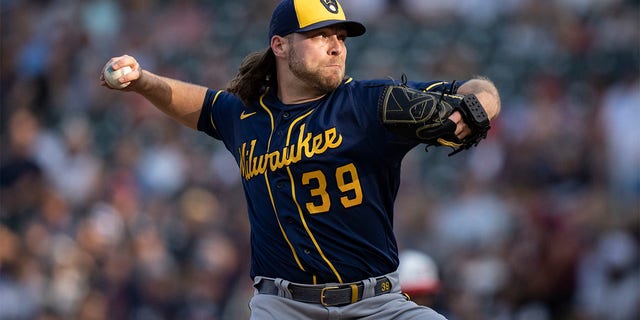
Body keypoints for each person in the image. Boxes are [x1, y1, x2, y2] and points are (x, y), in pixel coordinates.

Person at [100, 0, 500, 318]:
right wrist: (142, 81)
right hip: (283, 307)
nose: (336, 45)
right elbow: (202, 105)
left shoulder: (369, 102)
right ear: (280, 45)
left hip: (377, 304)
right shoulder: (245, 116)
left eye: (341, 36)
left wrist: (478, 107)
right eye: (320, 34)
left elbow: (476, 89)